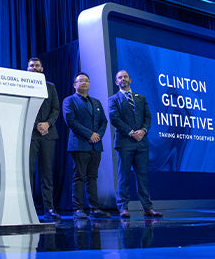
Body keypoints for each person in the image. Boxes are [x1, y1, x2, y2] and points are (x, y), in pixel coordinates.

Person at [108, 70, 163, 219]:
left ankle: (147, 207)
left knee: (143, 176)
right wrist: (132, 132)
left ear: (130, 80)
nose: (123, 79)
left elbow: (148, 117)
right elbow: (115, 119)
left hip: (142, 143)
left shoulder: (141, 98)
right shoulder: (113, 99)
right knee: (123, 176)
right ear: (116, 82)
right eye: (119, 77)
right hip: (125, 142)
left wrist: (143, 131)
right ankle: (123, 208)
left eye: (125, 76)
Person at [62, 72, 110, 219]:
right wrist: (89, 134)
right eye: (81, 81)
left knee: (92, 177)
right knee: (79, 177)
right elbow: (71, 121)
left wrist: (98, 136)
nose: (84, 83)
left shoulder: (96, 102)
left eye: (87, 81)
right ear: (75, 85)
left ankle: (95, 209)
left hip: (95, 145)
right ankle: (78, 209)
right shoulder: (69, 101)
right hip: (79, 144)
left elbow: (104, 122)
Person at [26, 57, 61, 221]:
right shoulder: (22, 86)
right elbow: (22, 108)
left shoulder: (50, 87)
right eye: (31, 65)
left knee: (47, 173)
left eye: (37, 65)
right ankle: (28, 209)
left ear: (42, 68)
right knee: (29, 172)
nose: (34, 67)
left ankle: (49, 209)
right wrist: (35, 125)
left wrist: (47, 124)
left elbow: (56, 109)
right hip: (30, 135)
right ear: (27, 69)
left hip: (48, 134)